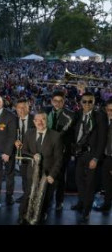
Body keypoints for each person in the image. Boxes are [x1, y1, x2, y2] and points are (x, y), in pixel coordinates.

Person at [18, 111, 63, 225]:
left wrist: (52, 175)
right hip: (32, 172)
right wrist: (33, 156)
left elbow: (59, 159)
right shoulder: (29, 133)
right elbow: (24, 151)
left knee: (44, 198)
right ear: (34, 121)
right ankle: (22, 216)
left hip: (47, 174)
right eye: (37, 120)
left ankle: (41, 215)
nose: (40, 122)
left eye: (43, 119)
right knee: (28, 195)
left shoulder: (56, 136)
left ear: (47, 121)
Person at [70, 92, 107, 222]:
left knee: (90, 184)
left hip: (92, 155)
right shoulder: (78, 114)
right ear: (80, 102)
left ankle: (87, 209)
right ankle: (81, 203)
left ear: (94, 103)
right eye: (84, 101)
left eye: (90, 101)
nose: (87, 104)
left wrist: (96, 158)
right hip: (79, 154)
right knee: (79, 181)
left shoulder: (100, 116)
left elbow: (102, 139)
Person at [46, 90, 74, 210]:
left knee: (61, 177)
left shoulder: (70, 115)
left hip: (62, 151)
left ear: (64, 102)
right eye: (55, 101)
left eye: (60, 101)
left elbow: (61, 135)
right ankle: (48, 199)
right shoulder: (46, 112)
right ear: (52, 101)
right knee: (47, 175)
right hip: (47, 151)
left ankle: (59, 201)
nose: (57, 103)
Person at [0, 94, 17, 208]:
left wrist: (7, 152)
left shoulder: (10, 115)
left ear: (2, 103)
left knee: (9, 174)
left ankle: (9, 195)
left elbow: (12, 136)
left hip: (7, 151)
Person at [13, 97, 34, 203]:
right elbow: (11, 135)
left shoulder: (35, 119)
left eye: (24, 107)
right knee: (24, 177)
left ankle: (33, 197)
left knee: (33, 178)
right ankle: (26, 195)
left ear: (28, 108)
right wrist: (15, 141)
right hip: (20, 154)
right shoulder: (14, 121)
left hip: (33, 155)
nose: (21, 110)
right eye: (19, 108)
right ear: (16, 109)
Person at [94, 98, 112, 213]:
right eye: (108, 109)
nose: (110, 112)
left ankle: (107, 204)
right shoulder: (106, 120)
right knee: (107, 182)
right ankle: (107, 203)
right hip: (106, 156)